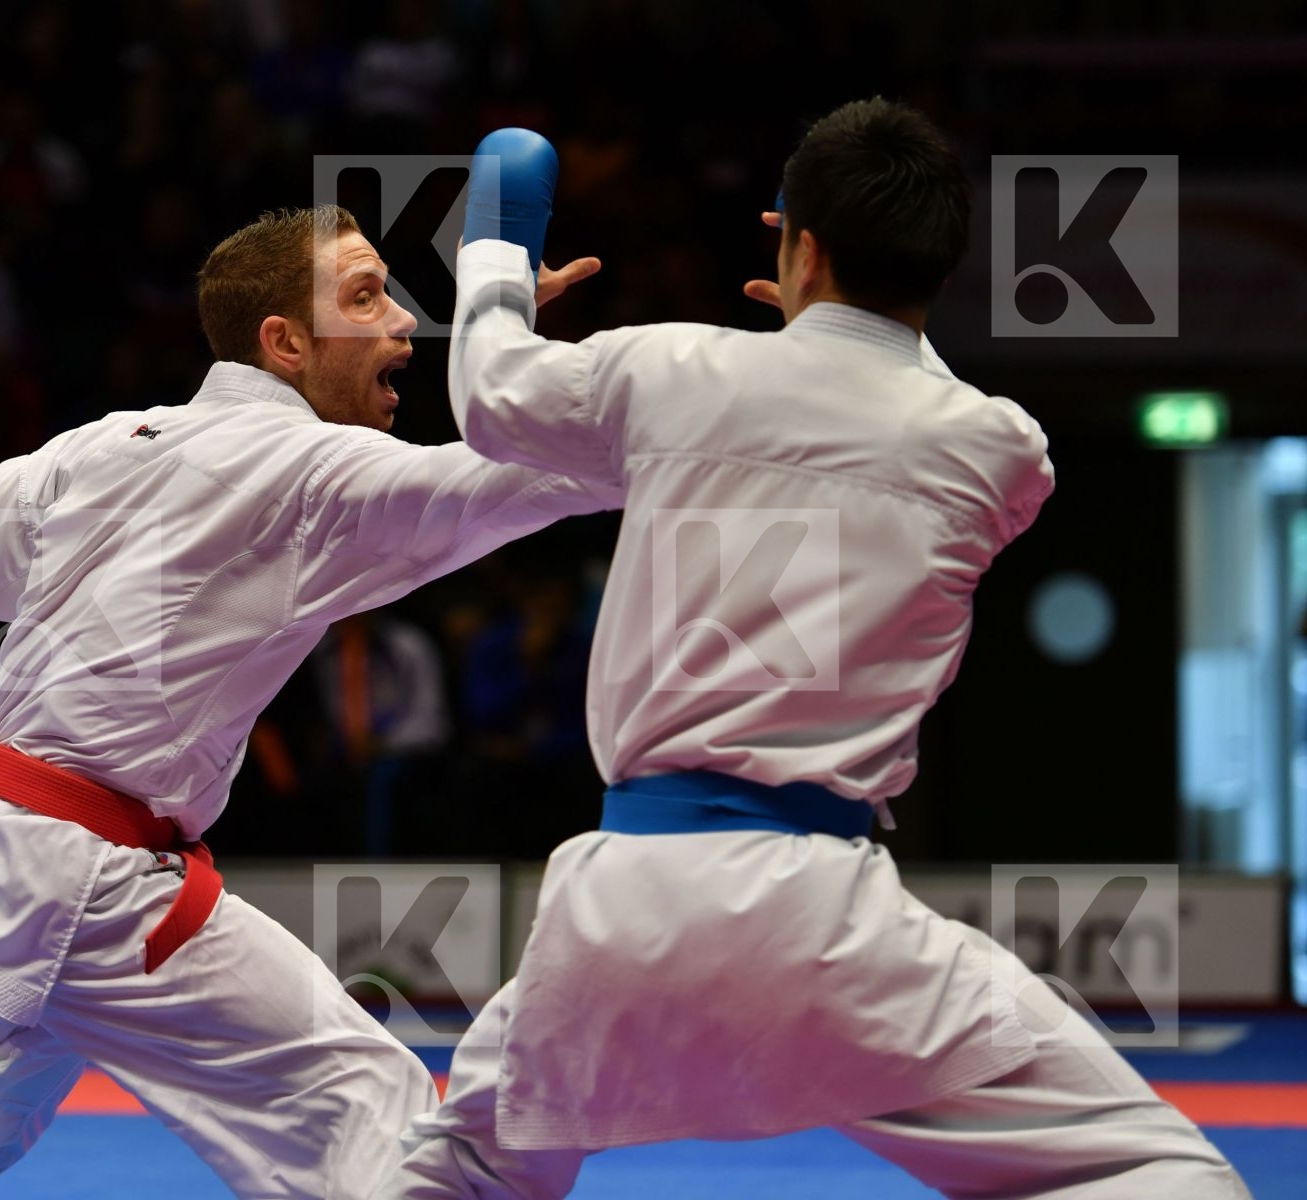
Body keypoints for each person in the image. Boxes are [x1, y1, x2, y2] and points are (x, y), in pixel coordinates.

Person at [378, 107, 1250, 1198]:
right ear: (936, 264)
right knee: (1159, 1173)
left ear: (799, 244)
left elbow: (490, 396)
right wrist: (850, 314)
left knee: (458, 1170)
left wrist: (501, 244)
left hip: (622, 908)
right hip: (833, 926)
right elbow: (890, 394)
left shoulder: (673, 370)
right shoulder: (999, 448)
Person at [0, 204, 616, 1200]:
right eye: (367, 298)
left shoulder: (98, 450)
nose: (402, 330)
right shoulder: (307, 472)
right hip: (94, 880)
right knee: (375, 1112)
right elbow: (533, 475)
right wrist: (514, 351)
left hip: (12, 852)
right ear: (284, 342)